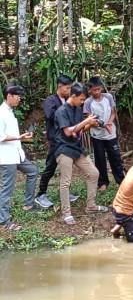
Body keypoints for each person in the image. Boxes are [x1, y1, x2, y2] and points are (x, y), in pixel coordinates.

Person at [54, 83, 108, 225]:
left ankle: (91, 206)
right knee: (66, 181)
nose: (83, 102)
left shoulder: (77, 109)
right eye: (82, 99)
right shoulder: (61, 111)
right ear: (73, 96)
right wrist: (86, 121)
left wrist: (90, 124)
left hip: (76, 148)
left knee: (94, 173)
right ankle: (66, 213)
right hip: (63, 149)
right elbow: (68, 132)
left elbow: (78, 131)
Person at [35, 75, 79, 209]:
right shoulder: (50, 100)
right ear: (60, 87)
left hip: (67, 140)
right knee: (50, 167)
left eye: (71, 88)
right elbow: (51, 116)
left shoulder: (67, 100)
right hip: (55, 141)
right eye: (67, 88)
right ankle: (40, 194)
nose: (70, 90)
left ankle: (66, 193)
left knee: (67, 168)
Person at [0, 85, 38, 231]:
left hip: (16, 153)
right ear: (9, 95)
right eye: (18, 97)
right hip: (6, 157)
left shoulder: (10, 112)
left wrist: (22, 137)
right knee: (7, 189)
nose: (19, 100)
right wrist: (19, 137)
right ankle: (4, 221)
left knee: (33, 171)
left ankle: (28, 204)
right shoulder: (1, 112)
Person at [83, 76, 125, 191]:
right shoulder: (88, 102)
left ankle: (121, 180)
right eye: (94, 90)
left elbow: (113, 112)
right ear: (89, 90)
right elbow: (89, 119)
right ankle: (102, 182)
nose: (97, 92)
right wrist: (102, 125)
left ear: (101, 88)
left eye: (98, 89)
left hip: (110, 134)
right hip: (97, 135)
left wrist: (110, 123)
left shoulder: (108, 97)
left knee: (115, 158)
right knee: (100, 159)